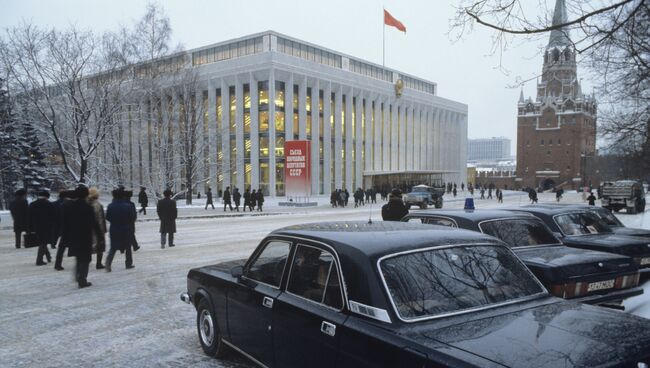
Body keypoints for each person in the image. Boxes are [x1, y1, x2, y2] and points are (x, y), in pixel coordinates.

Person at [62, 186, 101, 288]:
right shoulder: (88, 207)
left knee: (78, 256)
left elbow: (66, 223)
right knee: (86, 258)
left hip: (74, 235)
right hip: (85, 235)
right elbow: (94, 223)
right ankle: (82, 279)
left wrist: (65, 236)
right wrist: (99, 235)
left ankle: (77, 275)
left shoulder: (70, 207)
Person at [105, 189, 136, 272]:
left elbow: (107, 217)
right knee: (128, 247)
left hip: (114, 229)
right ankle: (128, 263)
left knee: (113, 248)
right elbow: (132, 218)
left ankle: (108, 262)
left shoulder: (110, 206)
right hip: (126, 229)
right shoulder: (127, 206)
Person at [28, 190, 55, 266]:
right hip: (46, 227)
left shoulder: (32, 204)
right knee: (43, 243)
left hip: (36, 227)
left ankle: (48, 257)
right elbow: (53, 217)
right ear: (46, 197)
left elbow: (29, 217)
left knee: (42, 242)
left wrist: (30, 228)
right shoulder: (49, 204)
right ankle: (39, 260)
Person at [53, 190, 74, 271]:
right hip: (70, 228)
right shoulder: (71, 205)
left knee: (61, 248)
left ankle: (57, 264)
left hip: (61, 228)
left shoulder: (59, 204)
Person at [87, 188, 107, 269]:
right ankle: (99, 263)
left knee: (89, 246)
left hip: (88, 229)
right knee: (100, 246)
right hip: (98, 228)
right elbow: (102, 218)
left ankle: (87, 262)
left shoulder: (86, 203)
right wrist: (104, 230)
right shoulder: (98, 205)